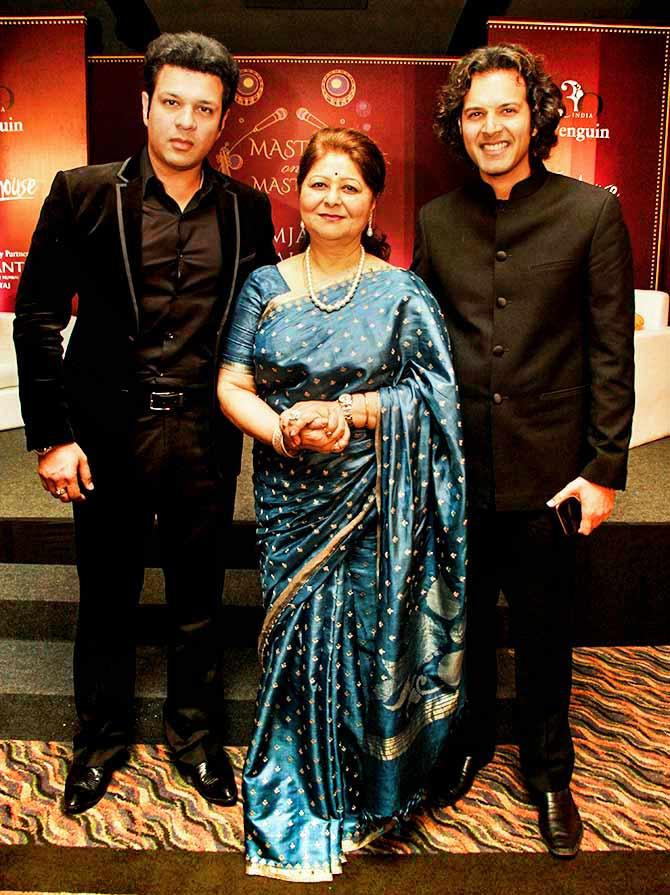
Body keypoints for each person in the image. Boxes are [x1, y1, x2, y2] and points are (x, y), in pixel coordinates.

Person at [13, 31, 277, 814]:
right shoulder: (82, 192)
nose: (185, 122)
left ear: (224, 119)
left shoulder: (247, 209)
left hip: (204, 434)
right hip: (103, 436)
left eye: (204, 108)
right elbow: (35, 317)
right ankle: (99, 741)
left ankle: (197, 740)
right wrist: (52, 435)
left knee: (199, 599)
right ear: (145, 104)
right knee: (107, 594)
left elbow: (261, 323)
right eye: (172, 104)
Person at [218, 127, 467, 881]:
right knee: (298, 642)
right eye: (319, 183)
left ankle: (369, 794)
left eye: (349, 187)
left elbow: (436, 397)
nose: (332, 199)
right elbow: (232, 386)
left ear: (372, 201)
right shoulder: (264, 285)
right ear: (299, 191)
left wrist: (353, 414)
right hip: (294, 496)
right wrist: (286, 431)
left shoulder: (402, 291)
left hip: (375, 499)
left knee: (366, 638)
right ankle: (301, 789)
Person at [412, 43, 635, 858]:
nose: (492, 126)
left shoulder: (591, 211)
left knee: (545, 634)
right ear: (459, 127)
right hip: (456, 475)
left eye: (508, 108)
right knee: (463, 628)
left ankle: (549, 772)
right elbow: (424, 346)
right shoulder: (438, 221)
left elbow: (613, 352)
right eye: (476, 113)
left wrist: (604, 469)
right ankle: (467, 746)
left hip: (553, 477)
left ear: (537, 116)